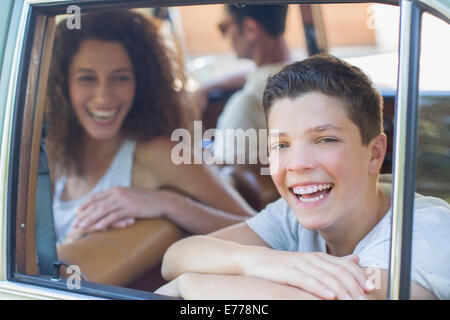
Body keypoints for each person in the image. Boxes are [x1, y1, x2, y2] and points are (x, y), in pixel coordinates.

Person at [156, 54, 450, 300]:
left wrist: (188, 285)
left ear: (374, 153)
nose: (297, 164)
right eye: (281, 145)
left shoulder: (426, 232)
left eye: (325, 140)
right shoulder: (290, 218)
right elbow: (177, 258)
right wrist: (262, 261)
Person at [46, 10, 255, 245]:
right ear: (63, 86)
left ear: (140, 84)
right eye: (87, 78)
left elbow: (258, 229)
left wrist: (168, 203)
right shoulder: (54, 154)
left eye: (120, 78)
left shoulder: (159, 153)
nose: (103, 97)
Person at [201, 4, 293, 210]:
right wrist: (209, 86)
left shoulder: (245, 105)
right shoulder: (304, 79)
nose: (225, 38)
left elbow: (218, 171)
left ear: (250, 28)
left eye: (224, 28)